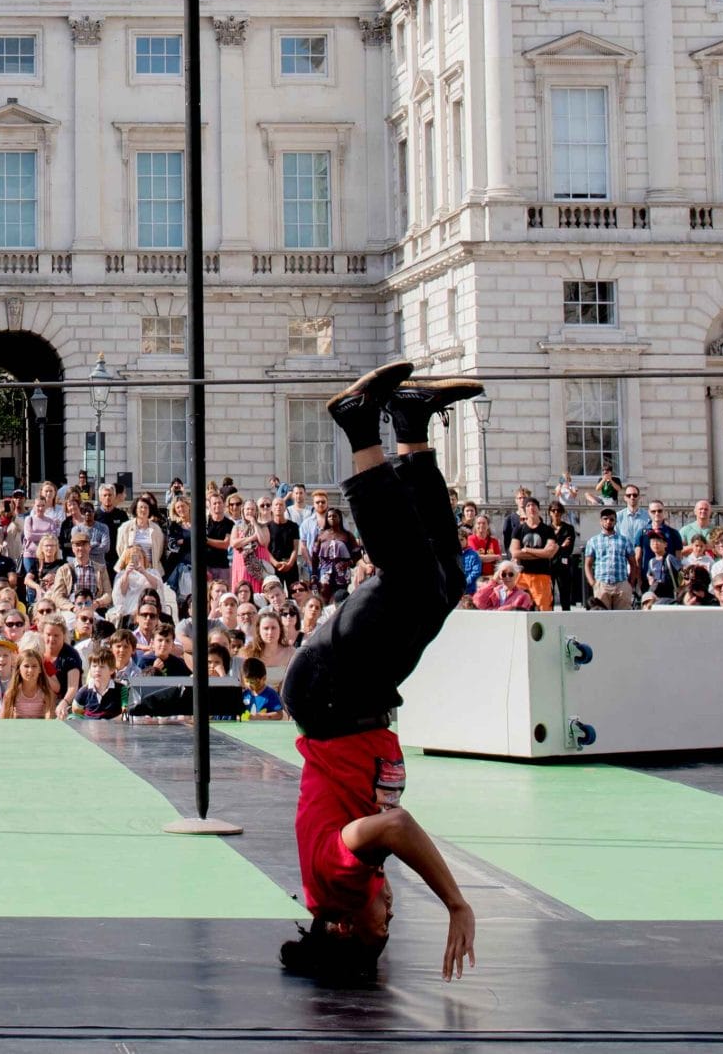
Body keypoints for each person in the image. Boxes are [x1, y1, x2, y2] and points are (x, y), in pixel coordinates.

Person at [278, 362, 480, 986]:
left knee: (413, 579)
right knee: (443, 583)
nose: (389, 919)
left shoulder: (336, 883)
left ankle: (359, 424)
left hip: (332, 691)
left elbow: (392, 825)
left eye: (381, 929)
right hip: (352, 697)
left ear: (343, 926)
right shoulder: (350, 882)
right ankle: (412, 425)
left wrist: (456, 901)